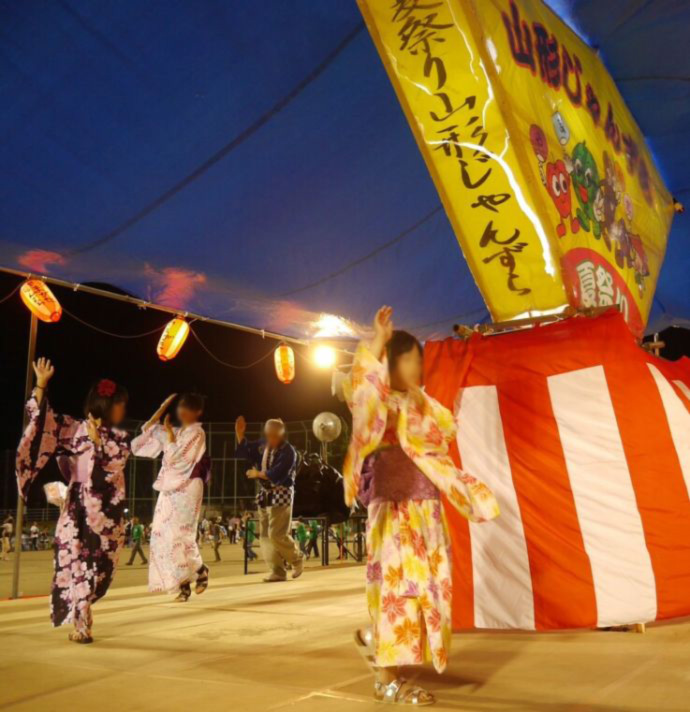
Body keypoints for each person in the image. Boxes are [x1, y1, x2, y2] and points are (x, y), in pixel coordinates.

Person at [344, 307, 500, 705]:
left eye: (418, 358)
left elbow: (446, 430)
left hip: (425, 511)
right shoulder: (377, 398)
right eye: (406, 357)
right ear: (389, 362)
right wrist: (377, 342)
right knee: (397, 588)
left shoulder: (422, 404)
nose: (415, 365)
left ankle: (374, 639)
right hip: (392, 511)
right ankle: (387, 680)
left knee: (426, 589)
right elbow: (364, 400)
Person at [16, 358, 132, 644]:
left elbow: (113, 466)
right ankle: (82, 625)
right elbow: (45, 423)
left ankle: (84, 613)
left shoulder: (119, 438)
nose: (123, 410)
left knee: (97, 568)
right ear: (107, 405)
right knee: (73, 561)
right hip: (76, 505)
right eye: (120, 404)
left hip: (102, 512)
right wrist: (41, 385)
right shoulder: (73, 428)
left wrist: (99, 443)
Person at [131, 393, 210, 602]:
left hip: (188, 486)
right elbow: (146, 433)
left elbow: (178, 457)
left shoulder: (197, 433)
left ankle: (200, 570)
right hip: (169, 488)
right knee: (162, 533)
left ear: (197, 412)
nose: (182, 412)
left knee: (182, 535)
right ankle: (182, 585)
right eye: (180, 407)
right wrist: (161, 408)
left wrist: (169, 435)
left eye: (188, 408)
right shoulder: (175, 431)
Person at [235, 417, 303, 582]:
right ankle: (277, 571)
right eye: (269, 435)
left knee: (276, 534)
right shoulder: (262, 445)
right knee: (265, 535)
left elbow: (278, 474)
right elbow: (246, 451)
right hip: (264, 494)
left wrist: (257, 474)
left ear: (281, 435)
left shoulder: (289, 452)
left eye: (274, 436)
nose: (271, 439)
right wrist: (239, 433)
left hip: (282, 493)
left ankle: (296, 558)